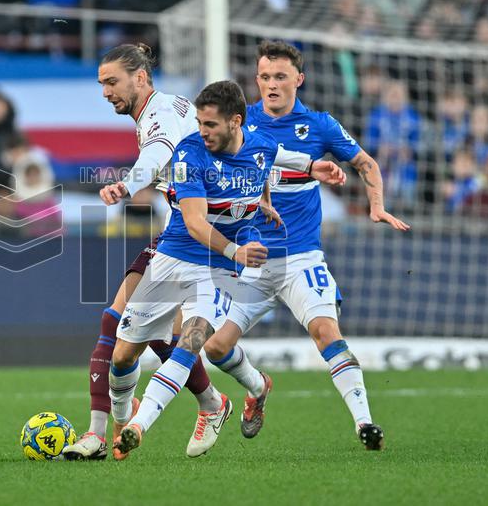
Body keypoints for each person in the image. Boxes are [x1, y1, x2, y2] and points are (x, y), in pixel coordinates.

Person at [65, 44, 344, 461]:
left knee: (170, 336)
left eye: (111, 82)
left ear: (139, 78)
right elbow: (254, 156)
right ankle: (214, 401)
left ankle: (110, 431)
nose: (105, 92)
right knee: (134, 346)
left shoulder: (161, 120)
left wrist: (125, 186)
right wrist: (269, 190)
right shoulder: (173, 109)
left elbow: (161, 154)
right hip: (179, 241)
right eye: (102, 83)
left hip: (208, 248)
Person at [207, 41, 409, 451]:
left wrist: (376, 206)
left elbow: (366, 164)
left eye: (280, 77)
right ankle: (257, 386)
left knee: (324, 331)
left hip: (301, 258)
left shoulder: (320, 126)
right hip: (253, 261)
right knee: (214, 347)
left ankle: (364, 423)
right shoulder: (240, 126)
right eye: (264, 77)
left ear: (298, 79)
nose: (271, 85)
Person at [111, 80, 293, 459]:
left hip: (218, 268)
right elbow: (194, 223)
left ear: (235, 122)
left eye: (210, 124)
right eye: (199, 122)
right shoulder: (187, 153)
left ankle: (137, 427)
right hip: (174, 256)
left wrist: (263, 202)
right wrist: (237, 250)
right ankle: (125, 415)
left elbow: (262, 167)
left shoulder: (262, 145)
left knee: (192, 343)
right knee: (123, 356)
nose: (202, 131)